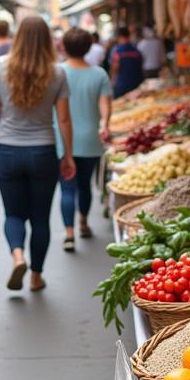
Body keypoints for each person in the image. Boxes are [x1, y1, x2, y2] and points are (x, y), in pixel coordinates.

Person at [0, 17, 75, 291]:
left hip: (9, 153)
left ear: (17, 36)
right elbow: (65, 120)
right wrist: (67, 155)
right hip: (44, 152)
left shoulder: (1, 67)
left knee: (13, 215)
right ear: (47, 39)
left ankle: (17, 256)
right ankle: (35, 276)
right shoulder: (57, 72)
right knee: (40, 218)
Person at [57, 28, 111, 251]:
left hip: (62, 139)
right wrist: (105, 123)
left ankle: (69, 233)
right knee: (85, 185)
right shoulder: (99, 74)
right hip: (90, 139)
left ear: (64, 46)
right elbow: (105, 105)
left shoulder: (57, 72)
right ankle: (83, 222)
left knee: (67, 188)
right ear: (89, 47)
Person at [110, 26, 144, 98]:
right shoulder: (136, 51)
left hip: (121, 86)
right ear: (129, 35)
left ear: (119, 36)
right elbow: (141, 66)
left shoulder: (117, 51)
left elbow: (115, 68)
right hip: (136, 85)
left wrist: (113, 82)